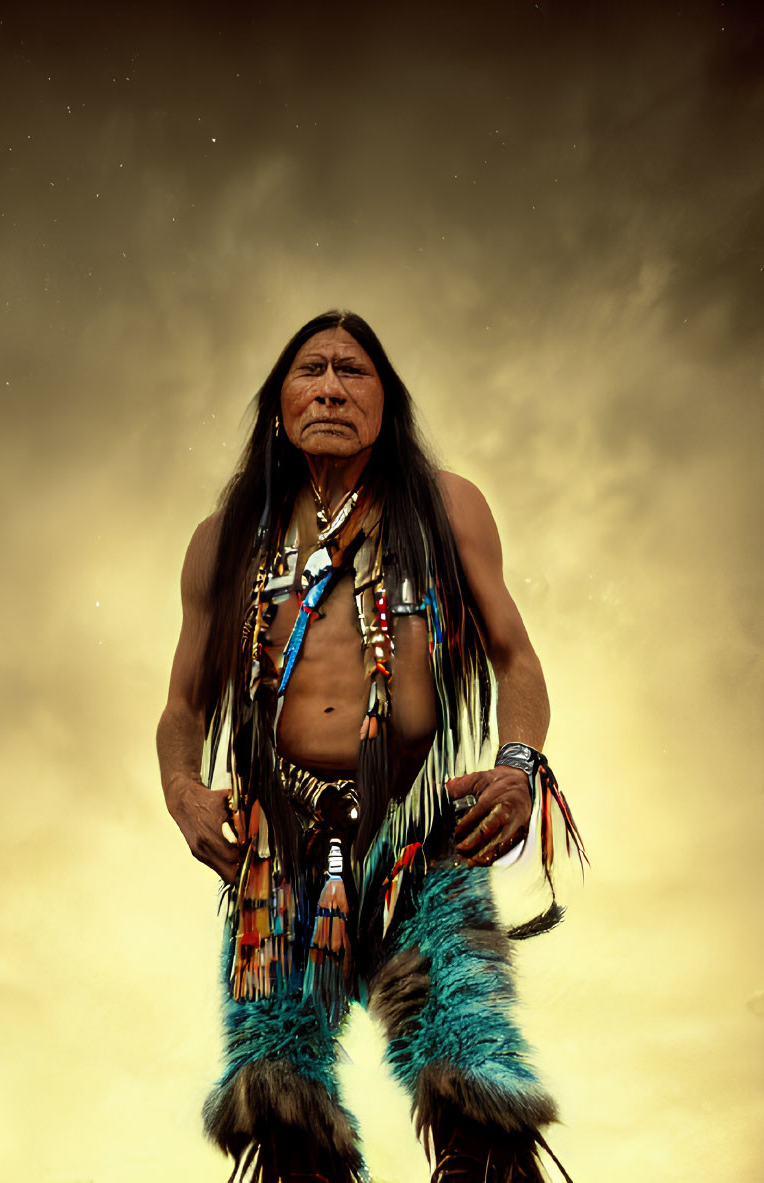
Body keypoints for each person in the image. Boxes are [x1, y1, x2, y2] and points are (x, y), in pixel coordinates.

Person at [155, 311, 584, 1182]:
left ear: (386, 400)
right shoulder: (223, 539)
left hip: (421, 828)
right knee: (278, 1101)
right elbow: (181, 704)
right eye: (309, 369)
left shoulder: (444, 503)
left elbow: (516, 655)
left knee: (476, 1083)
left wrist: (517, 765)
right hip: (276, 843)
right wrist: (185, 793)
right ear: (278, 401)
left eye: (353, 371)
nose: (330, 387)